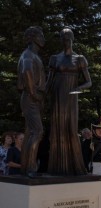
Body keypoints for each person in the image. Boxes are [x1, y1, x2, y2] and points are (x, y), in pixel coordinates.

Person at [47, 28, 92, 175]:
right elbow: (48, 82)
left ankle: (77, 167)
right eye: (63, 39)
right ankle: (57, 168)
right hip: (58, 97)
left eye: (68, 39)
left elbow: (88, 82)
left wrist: (76, 90)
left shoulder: (79, 58)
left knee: (72, 130)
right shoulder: (55, 58)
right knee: (57, 131)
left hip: (72, 98)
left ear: (72, 39)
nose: (66, 42)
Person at [17, 26, 46, 176]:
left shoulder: (33, 55)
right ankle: (30, 167)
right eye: (41, 35)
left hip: (33, 97)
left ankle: (26, 167)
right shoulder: (28, 55)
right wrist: (34, 93)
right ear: (34, 37)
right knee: (38, 131)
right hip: (30, 97)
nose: (43, 38)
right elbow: (26, 71)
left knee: (30, 132)